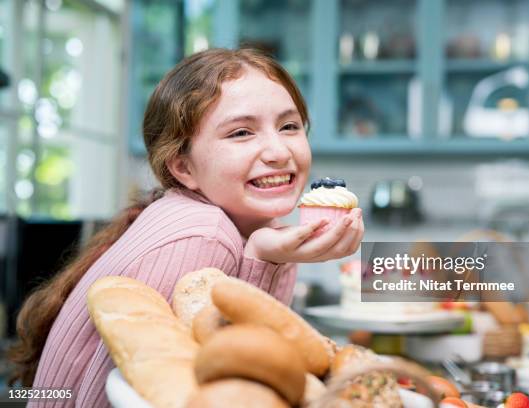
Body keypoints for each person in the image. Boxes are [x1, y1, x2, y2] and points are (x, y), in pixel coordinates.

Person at [9, 48, 364, 407]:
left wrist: (267, 253)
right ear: (184, 168)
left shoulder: (246, 225)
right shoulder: (203, 234)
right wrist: (262, 259)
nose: (278, 151)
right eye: (241, 132)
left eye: (289, 126)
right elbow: (226, 388)